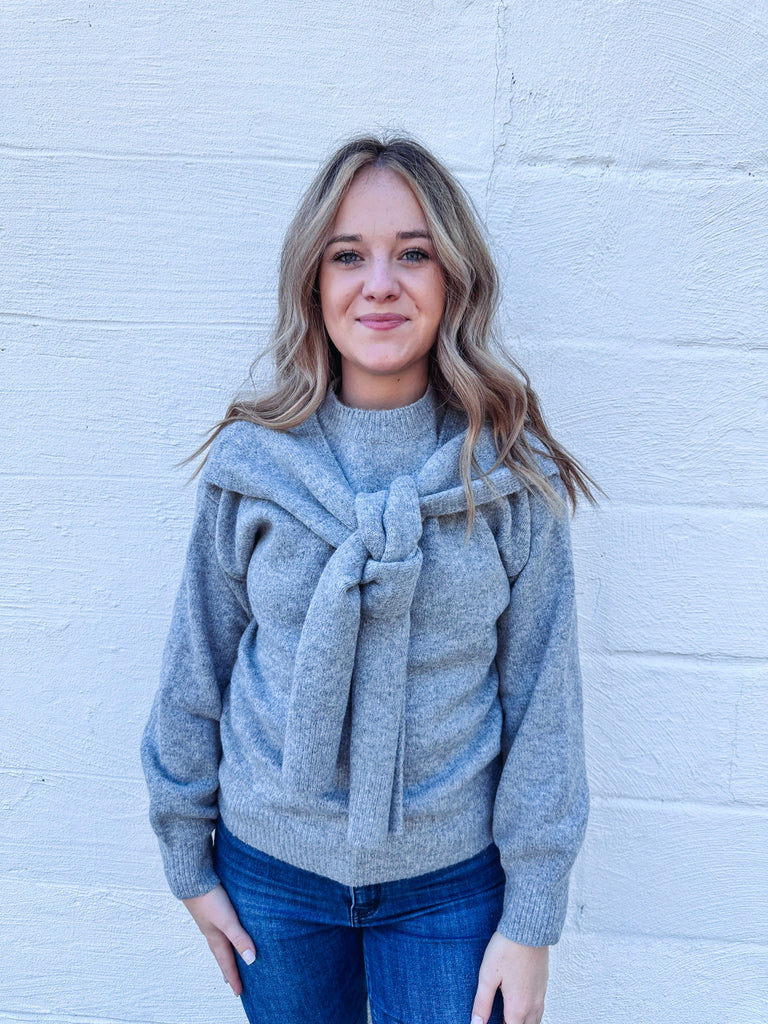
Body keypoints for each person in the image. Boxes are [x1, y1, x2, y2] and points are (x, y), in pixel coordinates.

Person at [141, 133, 596, 1024]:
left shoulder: (508, 478)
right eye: (348, 256)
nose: (379, 283)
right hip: (270, 878)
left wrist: (533, 917)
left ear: (454, 279)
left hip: (453, 890)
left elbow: (546, 703)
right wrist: (186, 860)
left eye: (412, 254)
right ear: (313, 282)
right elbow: (198, 665)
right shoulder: (254, 466)